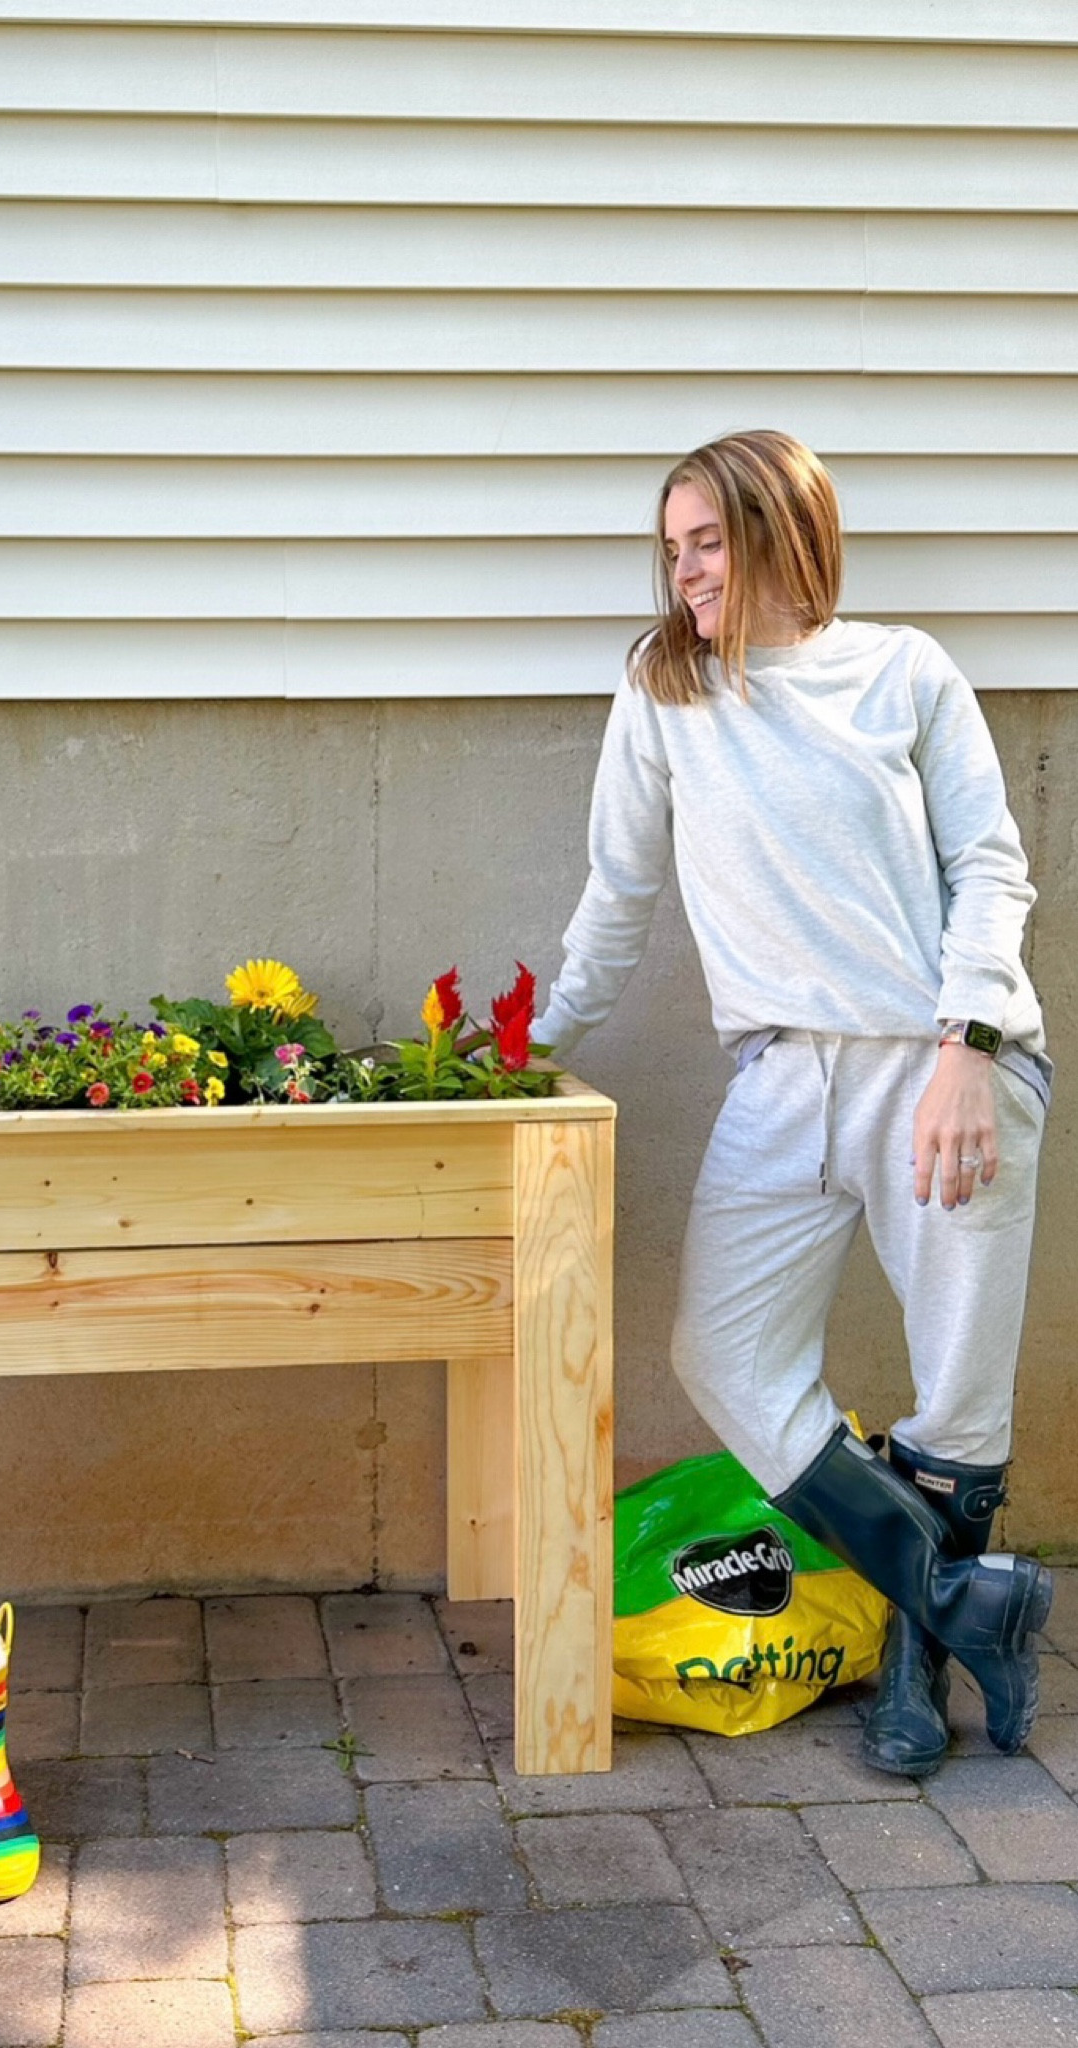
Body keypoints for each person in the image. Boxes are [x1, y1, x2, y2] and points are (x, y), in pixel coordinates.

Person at [533, 429, 1053, 1777]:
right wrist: (522, 1044)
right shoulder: (663, 690)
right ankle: (965, 1598)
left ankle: (914, 1666)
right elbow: (617, 892)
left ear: (781, 531)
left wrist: (968, 1047)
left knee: (957, 1394)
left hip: (944, 1066)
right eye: (671, 548)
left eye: (707, 540)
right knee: (722, 1351)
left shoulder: (905, 671)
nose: (686, 570)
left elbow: (990, 868)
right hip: (781, 1074)